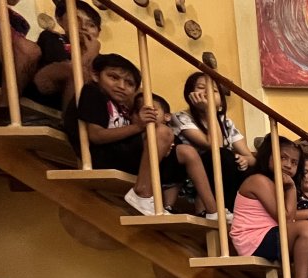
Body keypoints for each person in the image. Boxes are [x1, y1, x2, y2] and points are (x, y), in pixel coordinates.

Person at [62, 54, 219, 218]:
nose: (121, 86)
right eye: (113, 77)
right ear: (96, 75)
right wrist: (138, 127)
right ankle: (142, 192)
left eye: (129, 83)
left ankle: (213, 211)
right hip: (101, 155)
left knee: (187, 151)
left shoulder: (121, 105)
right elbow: (96, 136)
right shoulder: (93, 93)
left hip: (124, 154)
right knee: (163, 131)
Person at [231, 136, 308, 278]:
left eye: (294, 162)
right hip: (252, 241)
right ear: (268, 155)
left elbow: (289, 217)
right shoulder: (258, 180)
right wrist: (291, 188)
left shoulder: (278, 184)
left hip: (272, 234)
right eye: (283, 158)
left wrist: (289, 187)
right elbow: (287, 219)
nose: (288, 165)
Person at [172, 71, 255, 212]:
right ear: (189, 94)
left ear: (221, 101)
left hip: (224, 176)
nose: (207, 92)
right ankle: (213, 209)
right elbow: (215, 146)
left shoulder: (226, 122)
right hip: (193, 179)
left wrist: (245, 159)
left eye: (214, 90)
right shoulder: (180, 118)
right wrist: (209, 110)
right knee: (223, 156)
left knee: (251, 170)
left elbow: (252, 158)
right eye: (201, 87)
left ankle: (239, 212)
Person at [28, 0, 100, 110]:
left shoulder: (101, 58)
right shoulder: (53, 38)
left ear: (98, 32)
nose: (84, 27)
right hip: (47, 90)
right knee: (78, 71)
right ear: (60, 19)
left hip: (82, 104)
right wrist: (90, 53)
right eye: (77, 20)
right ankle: (68, 122)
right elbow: (67, 69)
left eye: (91, 25)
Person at [0, 0, 39, 123]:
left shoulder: (18, 21)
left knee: (61, 68)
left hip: (3, 68)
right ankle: (5, 112)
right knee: (26, 49)